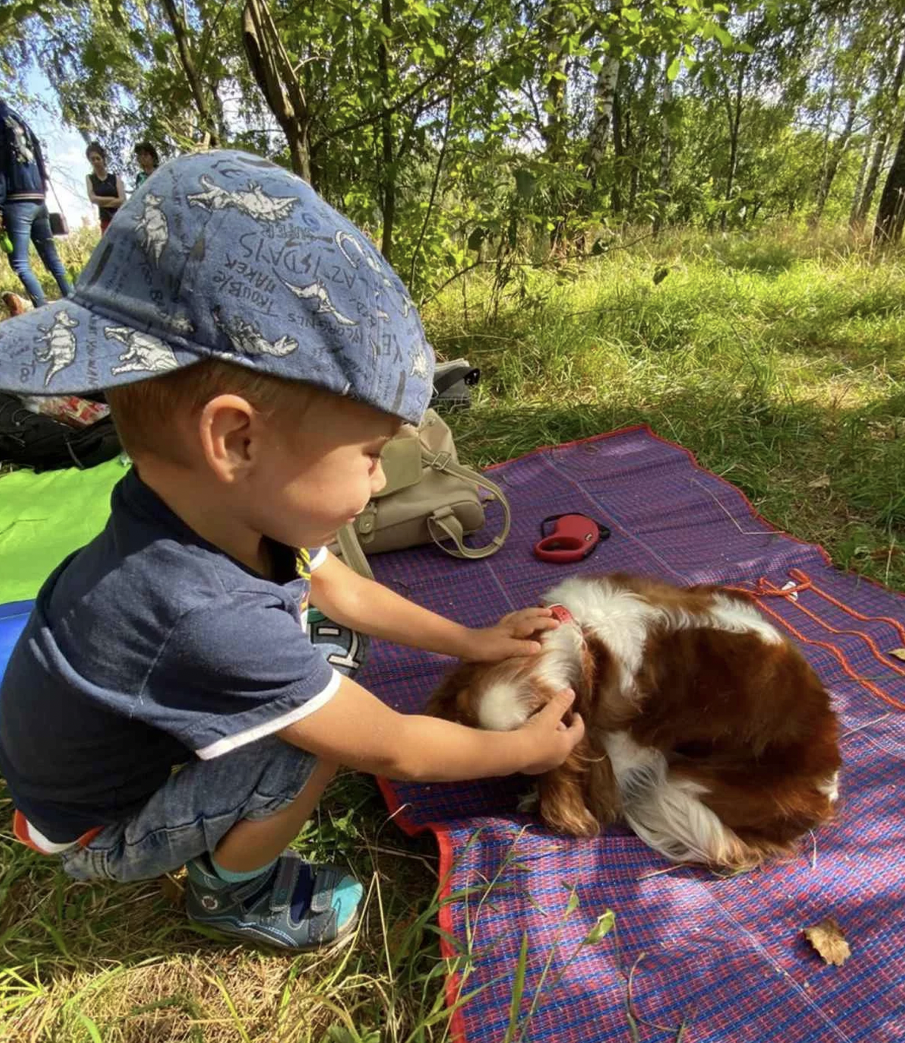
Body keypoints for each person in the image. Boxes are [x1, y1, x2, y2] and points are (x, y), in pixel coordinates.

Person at [0, 150, 583, 952]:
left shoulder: (200, 508)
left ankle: (221, 823)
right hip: (98, 833)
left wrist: (471, 640)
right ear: (236, 438)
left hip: (72, 776)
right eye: (371, 453)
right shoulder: (201, 610)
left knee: (326, 639)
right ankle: (234, 891)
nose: (378, 478)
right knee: (304, 730)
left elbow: (337, 585)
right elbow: (394, 745)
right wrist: (524, 747)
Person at [0, 100, 72, 307]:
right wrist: (43, 189)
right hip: (38, 198)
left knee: (20, 264)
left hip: (15, 201)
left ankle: (42, 310)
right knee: (53, 259)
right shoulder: (18, 118)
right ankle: (74, 299)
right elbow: (38, 153)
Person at [85, 141, 126, 232]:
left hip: (120, 219)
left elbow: (122, 200)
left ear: (103, 159)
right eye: (92, 159)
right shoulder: (90, 178)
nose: (95, 161)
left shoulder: (115, 178)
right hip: (105, 221)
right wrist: (113, 199)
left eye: (98, 158)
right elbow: (92, 199)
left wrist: (102, 202)